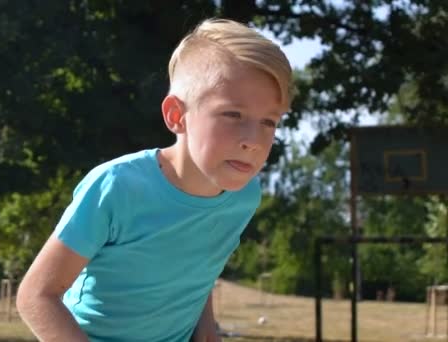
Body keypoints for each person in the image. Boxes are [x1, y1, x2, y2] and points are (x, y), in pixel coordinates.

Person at [16, 17, 292, 342]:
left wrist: (205, 329)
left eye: (269, 122)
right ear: (177, 116)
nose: (254, 140)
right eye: (233, 114)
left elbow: (195, 268)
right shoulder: (116, 187)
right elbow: (36, 296)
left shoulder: (244, 196)